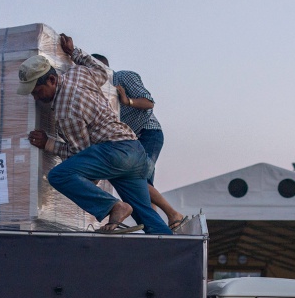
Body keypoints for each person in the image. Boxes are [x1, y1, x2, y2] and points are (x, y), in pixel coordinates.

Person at [18, 34, 171, 235]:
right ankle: (173, 249)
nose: (36, 98)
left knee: (60, 175)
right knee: (148, 218)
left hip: (113, 152)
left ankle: (114, 206)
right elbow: (102, 71)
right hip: (134, 152)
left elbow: (80, 152)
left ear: (52, 80)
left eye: (37, 91)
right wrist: (74, 52)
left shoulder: (65, 110)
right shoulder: (77, 73)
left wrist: (48, 143)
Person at [91, 54, 186, 231]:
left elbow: (149, 102)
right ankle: (154, 226)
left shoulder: (124, 77)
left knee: (139, 181)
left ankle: (173, 214)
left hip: (147, 133)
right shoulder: (95, 91)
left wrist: (128, 101)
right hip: (128, 142)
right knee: (140, 185)